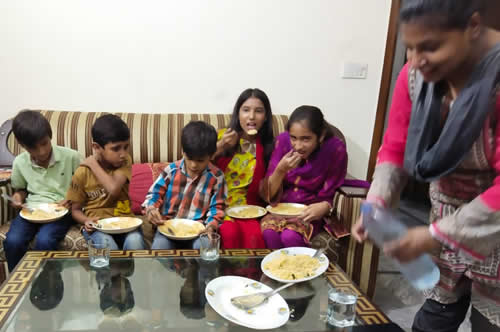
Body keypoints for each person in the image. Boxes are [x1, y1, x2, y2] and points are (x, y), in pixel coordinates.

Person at [352, 1, 500, 330]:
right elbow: (395, 148)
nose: (416, 62)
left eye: (430, 47)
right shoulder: (415, 76)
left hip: (493, 223)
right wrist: (377, 203)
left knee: (489, 321)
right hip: (445, 213)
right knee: (437, 310)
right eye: (411, 48)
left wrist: (433, 236)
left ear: (473, 26)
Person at [259, 106, 354, 248]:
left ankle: (298, 269)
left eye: (306, 139)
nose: (298, 146)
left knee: (289, 235)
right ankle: (275, 270)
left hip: (309, 209)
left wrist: (325, 206)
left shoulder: (334, 149)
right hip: (280, 207)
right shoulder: (283, 142)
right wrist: (281, 170)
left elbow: (330, 191)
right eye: (294, 138)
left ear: (320, 135)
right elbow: (268, 195)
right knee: (269, 233)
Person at [4, 110, 80, 271]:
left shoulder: (71, 157)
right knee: (13, 241)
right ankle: (18, 287)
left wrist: (72, 198)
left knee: (46, 240)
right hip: (31, 211)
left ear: (50, 136)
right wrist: (17, 197)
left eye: (45, 143)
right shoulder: (20, 162)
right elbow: (21, 189)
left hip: (61, 211)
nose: (42, 152)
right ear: (22, 144)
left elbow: (84, 187)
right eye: (33, 147)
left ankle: (48, 286)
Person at [142, 121, 227, 249]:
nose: (193, 165)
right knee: (159, 247)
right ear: (183, 151)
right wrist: (151, 209)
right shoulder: (171, 170)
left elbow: (217, 209)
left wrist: (211, 226)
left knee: (205, 248)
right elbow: (154, 194)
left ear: (212, 155)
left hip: (198, 231)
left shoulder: (217, 177)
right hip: (168, 228)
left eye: (200, 160)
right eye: (190, 158)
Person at [67, 114, 145, 250]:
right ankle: (111, 272)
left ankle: (136, 272)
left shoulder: (124, 162)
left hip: (126, 221)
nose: (123, 153)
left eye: (126, 147)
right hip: (98, 226)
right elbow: (75, 210)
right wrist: (86, 220)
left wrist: (93, 164)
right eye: (116, 148)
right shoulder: (82, 172)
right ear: (97, 147)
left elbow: (113, 188)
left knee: (135, 241)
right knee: (107, 245)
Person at [214, 88, 274, 249]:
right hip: (219, 205)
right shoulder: (222, 137)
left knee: (254, 235)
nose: (251, 117)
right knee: (228, 232)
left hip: (250, 209)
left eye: (259, 111)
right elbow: (194, 165)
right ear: (238, 113)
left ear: (266, 116)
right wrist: (221, 146)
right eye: (246, 110)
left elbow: (270, 190)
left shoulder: (270, 147)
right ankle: (227, 273)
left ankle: (250, 274)